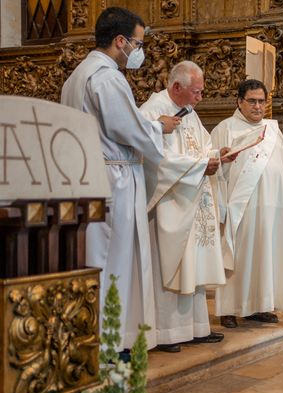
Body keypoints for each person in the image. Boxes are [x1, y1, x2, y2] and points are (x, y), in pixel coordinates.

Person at [60, 7, 180, 355]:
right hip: (113, 179)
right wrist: (159, 127)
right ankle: (110, 343)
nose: (139, 52)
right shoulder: (107, 77)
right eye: (138, 44)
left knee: (95, 259)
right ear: (120, 41)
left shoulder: (77, 76)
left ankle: (93, 336)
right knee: (114, 261)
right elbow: (127, 129)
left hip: (89, 175)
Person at [140, 61, 234, 352]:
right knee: (170, 269)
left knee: (192, 269)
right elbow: (155, 160)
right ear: (176, 87)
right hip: (169, 204)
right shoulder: (152, 111)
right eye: (196, 92)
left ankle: (195, 327)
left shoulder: (189, 112)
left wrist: (218, 155)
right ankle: (166, 333)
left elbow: (201, 147)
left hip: (190, 201)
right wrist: (200, 165)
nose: (200, 98)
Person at [210, 79, 283, 328]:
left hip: (270, 207)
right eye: (252, 101)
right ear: (239, 102)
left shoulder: (273, 131)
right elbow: (213, 167)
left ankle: (259, 305)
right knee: (236, 258)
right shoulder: (225, 129)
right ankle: (229, 309)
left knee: (264, 257)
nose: (258, 106)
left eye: (262, 101)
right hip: (240, 207)